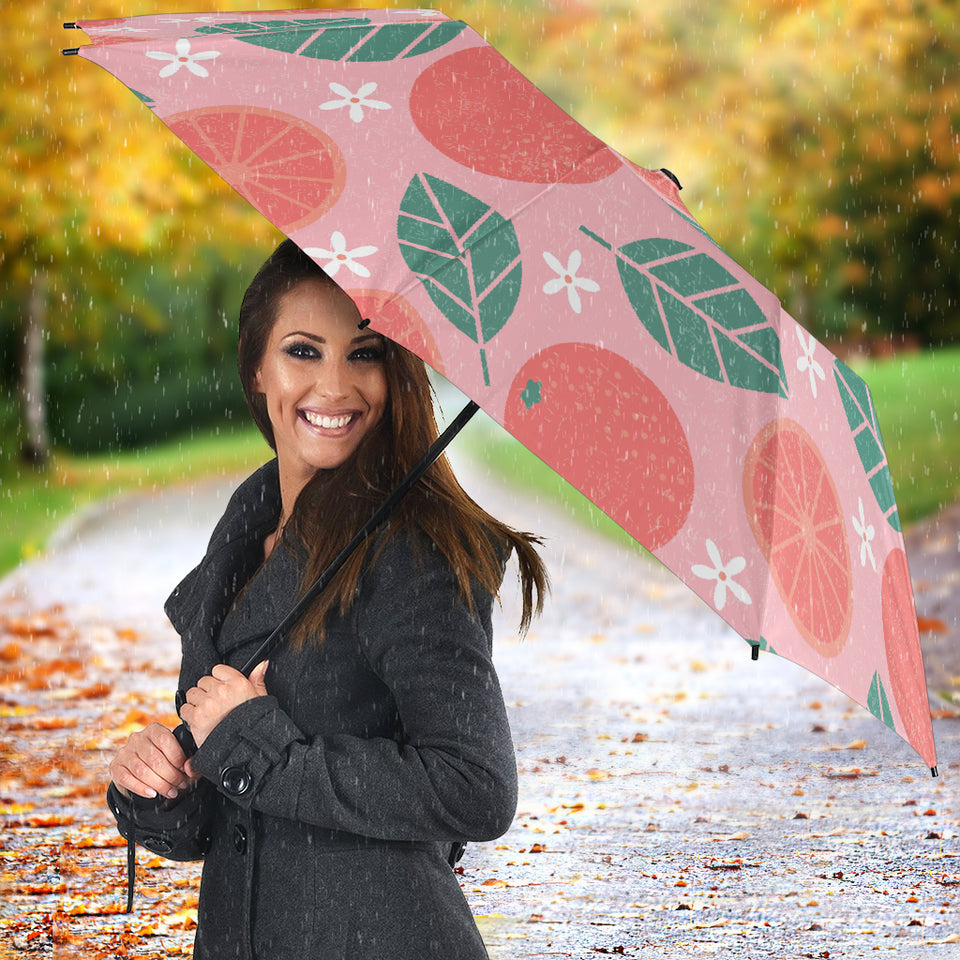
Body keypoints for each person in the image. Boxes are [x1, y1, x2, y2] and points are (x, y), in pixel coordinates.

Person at [107, 239, 548, 959]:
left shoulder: (410, 552)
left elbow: (477, 788)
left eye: (365, 353)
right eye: (304, 352)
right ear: (256, 369)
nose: (336, 385)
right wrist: (168, 785)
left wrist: (260, 747)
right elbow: (237, 812)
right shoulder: (242, 545)